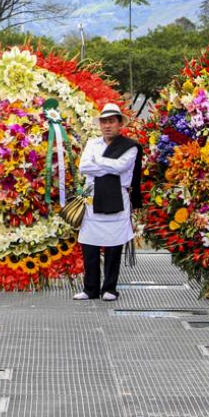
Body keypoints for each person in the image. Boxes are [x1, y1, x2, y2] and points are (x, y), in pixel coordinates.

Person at [73, 103, 142, 302]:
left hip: (117, 197)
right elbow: (84, 167)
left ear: (120, 123)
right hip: (92, 196)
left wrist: (98, 162)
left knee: (114, 246)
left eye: (111, 121)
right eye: (104, 121)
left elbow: (121, 167)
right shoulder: (92, 144)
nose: (107, 125)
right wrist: (106, 167)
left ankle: (109, 288)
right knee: (89, 245)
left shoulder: (130, 146)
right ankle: (90, 288)